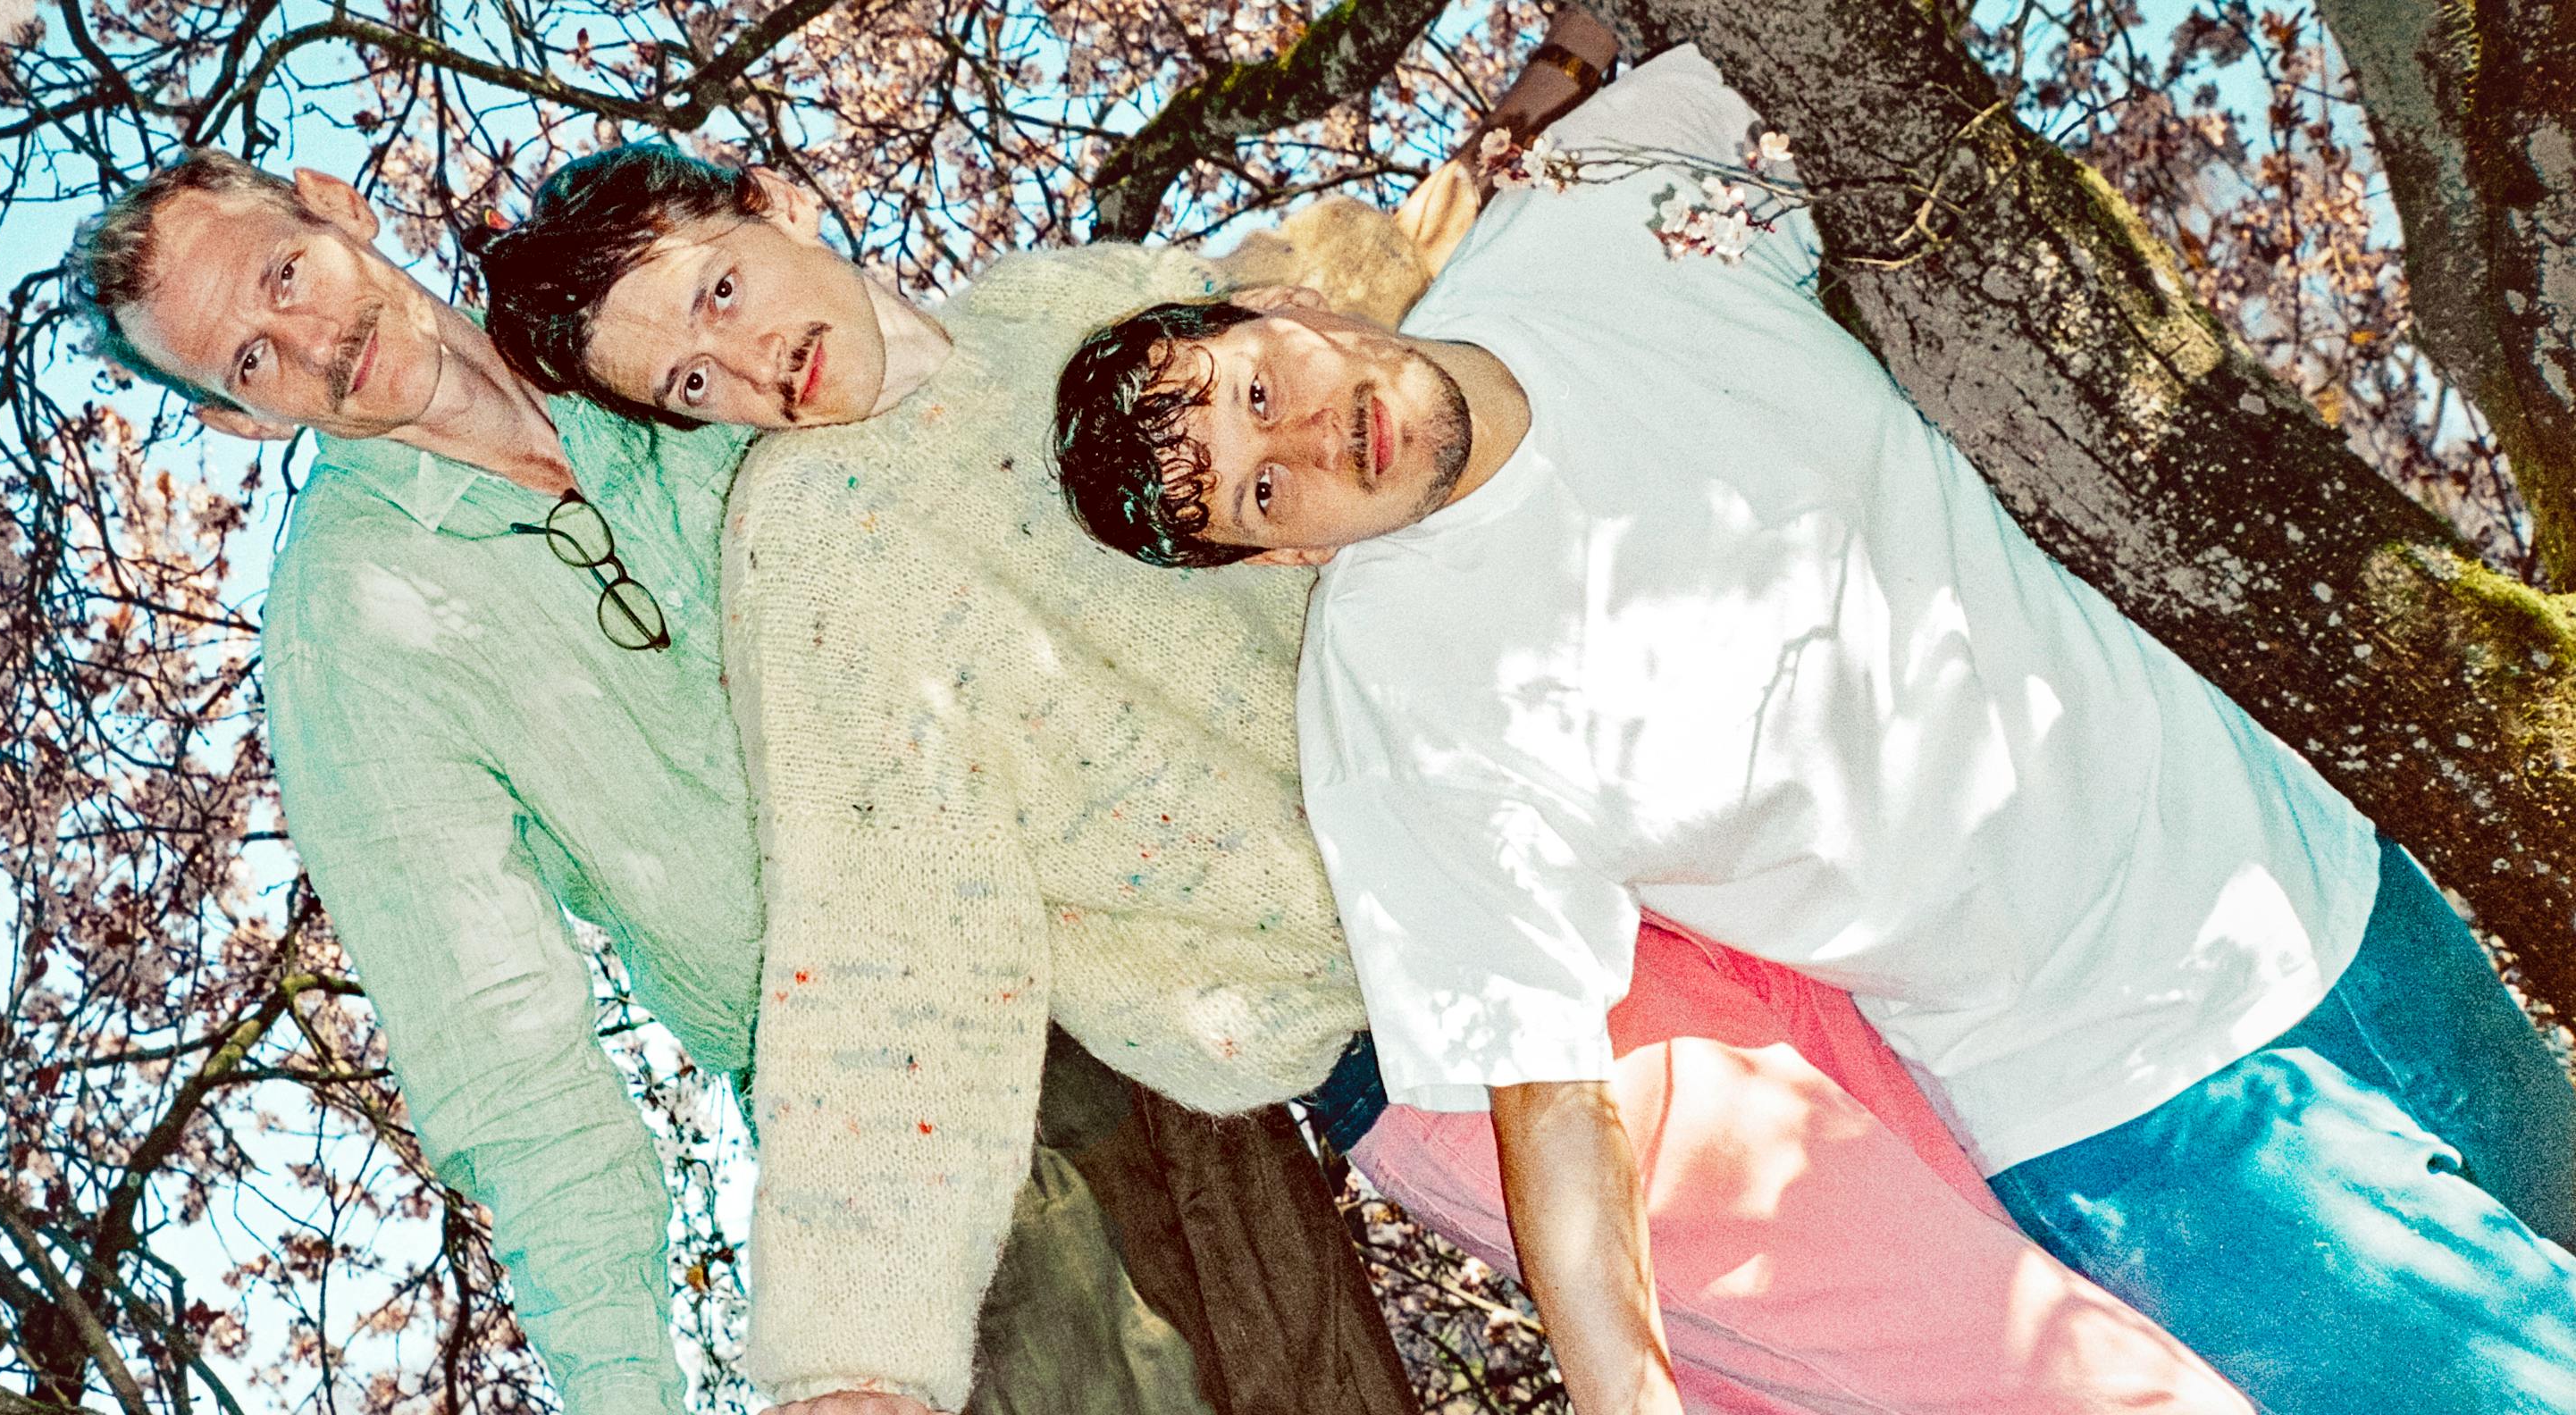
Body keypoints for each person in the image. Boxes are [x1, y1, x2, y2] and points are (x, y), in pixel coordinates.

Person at [477, 47, 2253, 1415]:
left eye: (716, 293)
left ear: (771, 203)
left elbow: (1360, 357)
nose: (747, 364)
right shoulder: (812, 556)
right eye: (687, 381)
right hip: (1416, 1020)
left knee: (2076, 1269)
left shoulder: (1064, 302)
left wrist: (1547, 122)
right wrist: (853, 1352)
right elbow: (888, 944)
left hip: (1651, 855)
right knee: (1996, 1361)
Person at [1045, 41, 2576, 1415]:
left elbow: (1824, 69)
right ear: (1285, 556)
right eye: (1260, 491)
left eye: (1256, 388)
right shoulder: (1406, 704)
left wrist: (1574, 55)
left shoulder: (1594, 221)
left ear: (1290, 308)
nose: (1309, 440)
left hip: (2326, 878)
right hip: (2137, 1103)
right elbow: (1549, 1095)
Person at [62, 150, 1415, 1415]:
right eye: (252, 358)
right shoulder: (351, 635)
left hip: (1143, 973)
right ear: (239, 421)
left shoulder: (642, 331)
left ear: (333, 204)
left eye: (285, 274)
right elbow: (504, 1051)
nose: (313, 342)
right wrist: (625, 1394)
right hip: (895, 1110)